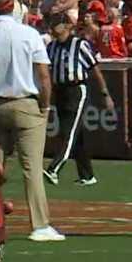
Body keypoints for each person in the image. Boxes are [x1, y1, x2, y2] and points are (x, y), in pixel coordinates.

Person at [0, 0, 63, 243]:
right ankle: (40, 224)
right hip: (26, 103)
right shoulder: (29, 35)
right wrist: (45, 105)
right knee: (32, 168)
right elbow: (44, 76)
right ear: (13, 5)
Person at [43, 12, 113, 186]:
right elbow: (49, 72)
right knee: (76, 135)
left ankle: (54, 169)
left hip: (76, 90)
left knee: (69, 132)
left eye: (57, 24)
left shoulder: (79, 45)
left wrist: (105, 94)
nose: (53, 27)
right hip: (60, 91)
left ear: (67, 26)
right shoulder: (51, 47)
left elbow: (94, 69)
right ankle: (87, 175)